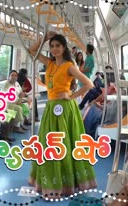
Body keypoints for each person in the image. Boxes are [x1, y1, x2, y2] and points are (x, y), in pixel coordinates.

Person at [27, 32, 97, 197]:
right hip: (52, 108)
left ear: (64, 47)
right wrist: (44, 37)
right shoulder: (50, 63)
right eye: (52, 46)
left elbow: (89, 84)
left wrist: (71, 96)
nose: (54, 49)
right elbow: (31, 50)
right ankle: (51, 178)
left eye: (58, 45)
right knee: (49, 143)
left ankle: (67, 182)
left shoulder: (69, 66)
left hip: (65, 108)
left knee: (64, 143)